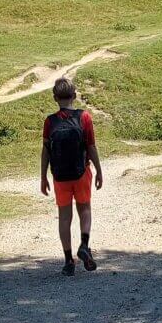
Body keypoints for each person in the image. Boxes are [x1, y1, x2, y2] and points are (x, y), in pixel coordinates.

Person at [40, 77, 104, 276]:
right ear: (74, 96)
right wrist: (99, 170)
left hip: (60, 177)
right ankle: (84, 245)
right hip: (81, 173)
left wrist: (43, 177)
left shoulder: (50, 122)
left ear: (54, 98)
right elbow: (91, 147)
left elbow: (45, 151)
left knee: (64, 217)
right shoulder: (84, 117)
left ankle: (68, 260)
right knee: (84, 209)